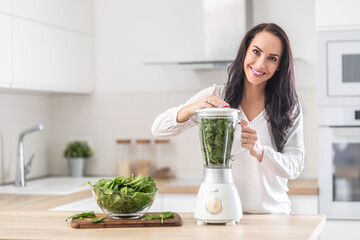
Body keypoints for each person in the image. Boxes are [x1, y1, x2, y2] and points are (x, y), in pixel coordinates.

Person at [151, 23, 304, 214]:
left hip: (272, 215)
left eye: (272, 58)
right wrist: (193, 107)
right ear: (245, 52)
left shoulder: (288, 106)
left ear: (279, 65)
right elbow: (158, 128)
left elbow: (295, 165)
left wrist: (261, 152)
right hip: (221, 212)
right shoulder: (217, 95)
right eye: (256, 52)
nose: (261, 64)